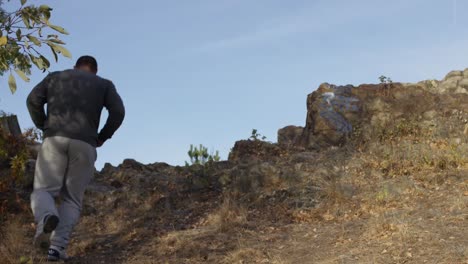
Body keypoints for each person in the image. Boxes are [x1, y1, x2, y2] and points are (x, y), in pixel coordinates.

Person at [26, 55, 125, 261]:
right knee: (72, 198)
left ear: (75, 67)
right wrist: (102, 137)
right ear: (95, 71)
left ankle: (45, 218)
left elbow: (33, 100)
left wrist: (43, 125)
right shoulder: (104, 85)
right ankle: (56, 248)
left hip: (54, 139)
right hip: (85, 144)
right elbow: (118, 112)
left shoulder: (55, 77)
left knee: (44, 190)